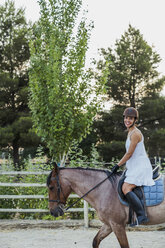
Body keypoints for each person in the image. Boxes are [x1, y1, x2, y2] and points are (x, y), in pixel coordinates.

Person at [112, 107, 155, 225]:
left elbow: (129, 153)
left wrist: (117, 165)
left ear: (135, 120)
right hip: (134, 165)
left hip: (140, 166)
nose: (127, 120)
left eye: (130, 118)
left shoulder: (136, 133)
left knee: (126, 188)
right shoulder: (130, 132)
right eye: (126, 118)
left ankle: (142, 215)